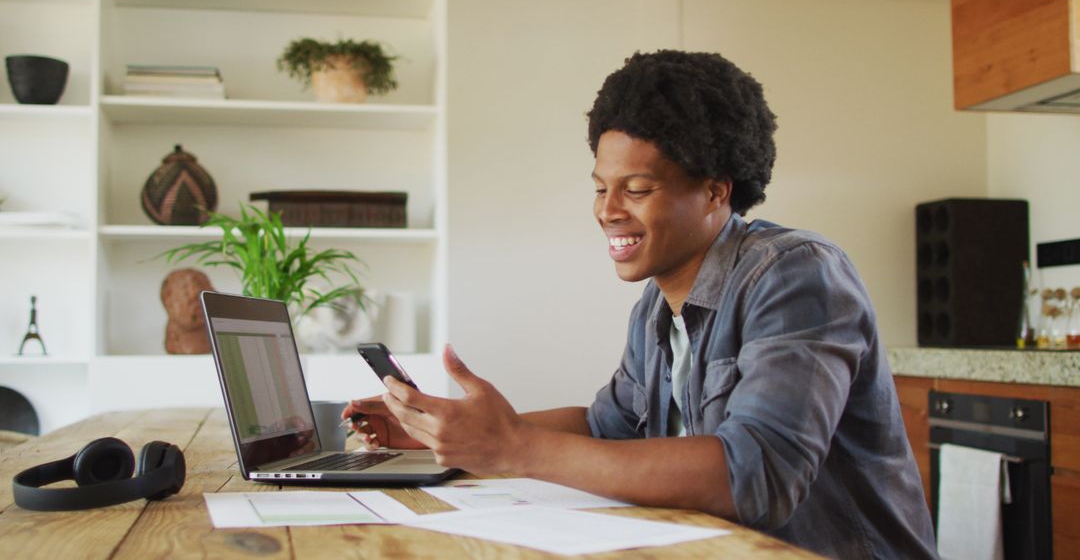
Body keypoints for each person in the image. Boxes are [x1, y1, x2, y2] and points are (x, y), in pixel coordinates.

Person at [343, 50, 937, 559]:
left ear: (715, 190)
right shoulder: (656, 309)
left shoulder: (796, 275)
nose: (608, 210)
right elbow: (609, 429)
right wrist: (445, 431)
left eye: (638, 189)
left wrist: (512, 447)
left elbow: (757, 476)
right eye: (601, 187)